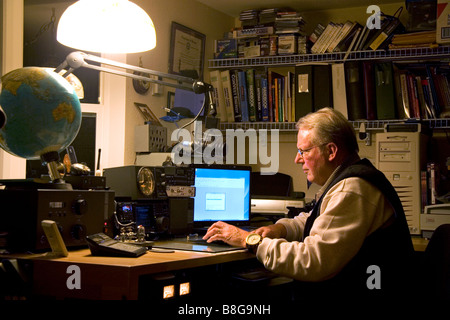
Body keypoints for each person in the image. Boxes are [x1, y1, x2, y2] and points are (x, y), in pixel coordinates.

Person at [203, 107, 414, 299]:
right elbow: (316, 219)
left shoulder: (352, 189)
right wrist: (280, 229)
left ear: (331, 151)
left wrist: (249, 240)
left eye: (303, 151)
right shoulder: (347, 181)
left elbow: (312, 261)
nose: (297, 159)